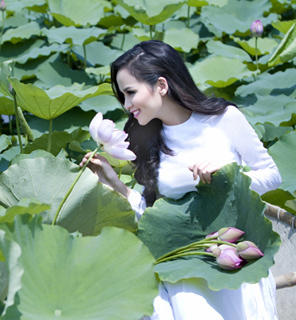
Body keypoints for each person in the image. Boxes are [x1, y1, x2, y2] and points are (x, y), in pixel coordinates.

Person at [80, 40, 281, 320]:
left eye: (130, 93)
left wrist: (226, 173)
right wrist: (116, 184)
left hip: (231, 255)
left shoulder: (223, 118)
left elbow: (272, 176)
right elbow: (156, 218)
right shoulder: (148, 139)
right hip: (181, 258)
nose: (126, 105)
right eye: (122, 97)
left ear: (161, 85)